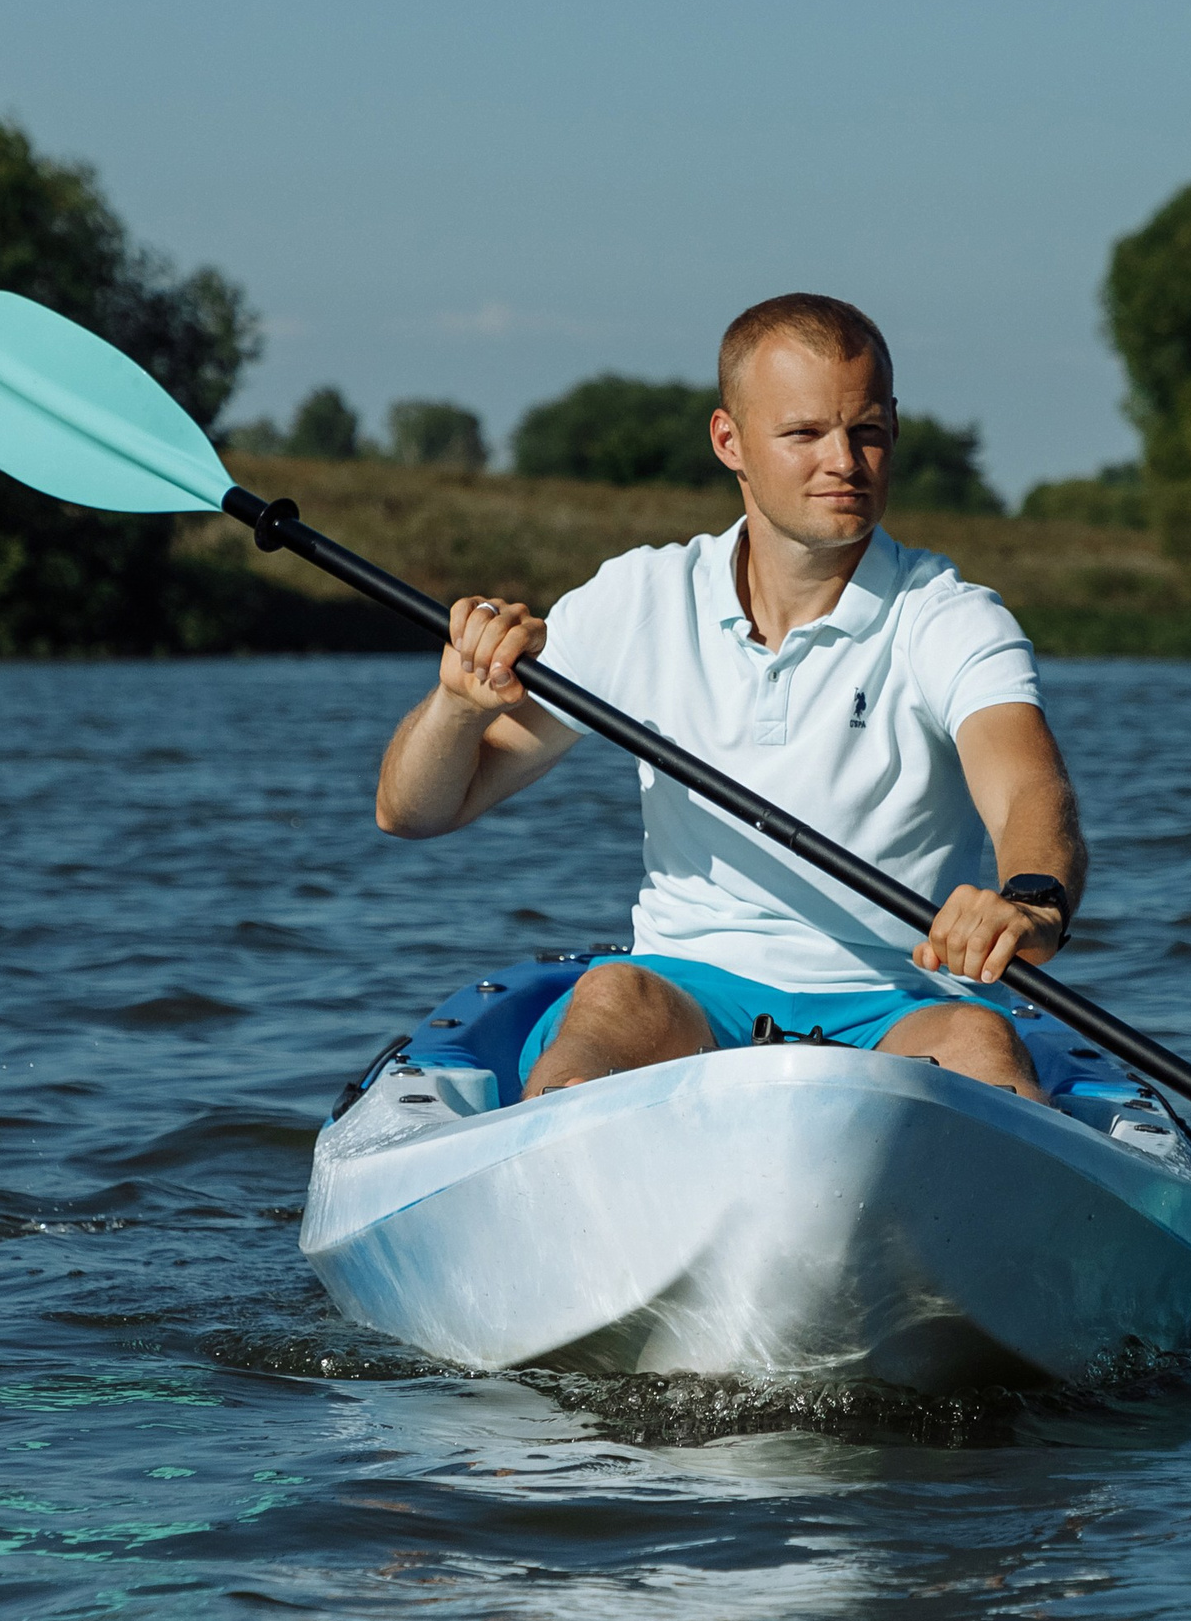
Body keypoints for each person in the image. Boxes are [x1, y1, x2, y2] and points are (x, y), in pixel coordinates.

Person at [374, 292, 1084, 1101]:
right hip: (685, 994)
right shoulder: (638, 598)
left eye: (868, 431)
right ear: (730, 441)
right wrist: (458, 708)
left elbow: (1028, 785)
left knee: (982, 1040)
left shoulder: (948, 615)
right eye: (804, 433)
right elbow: (416, 810)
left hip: (904, 1002)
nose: (844, 462)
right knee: (611, 994)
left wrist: (1030, 901)